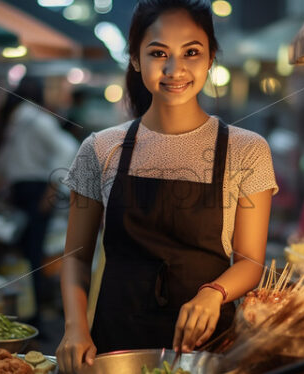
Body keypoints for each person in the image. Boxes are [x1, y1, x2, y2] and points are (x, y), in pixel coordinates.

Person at [56, 1, 277, 372]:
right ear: (136, 60)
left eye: (191, 52)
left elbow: (251, 262)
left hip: (208, 349)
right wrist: (75, 329)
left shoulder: (247, 150)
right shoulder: (100, 149)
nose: (175, 69)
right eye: (159, 53)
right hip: (115, 347)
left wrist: (214, 292)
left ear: (210, 59)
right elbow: (77, 257)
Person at [0, 76, 78, 313]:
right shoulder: (24, 119)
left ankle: (35, 315)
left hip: (36, 191)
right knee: (27, 254)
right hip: (25, 190)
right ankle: (29, 313)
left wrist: (52, 187)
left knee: (32, 254)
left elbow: (66, 148)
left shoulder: (34, 119)